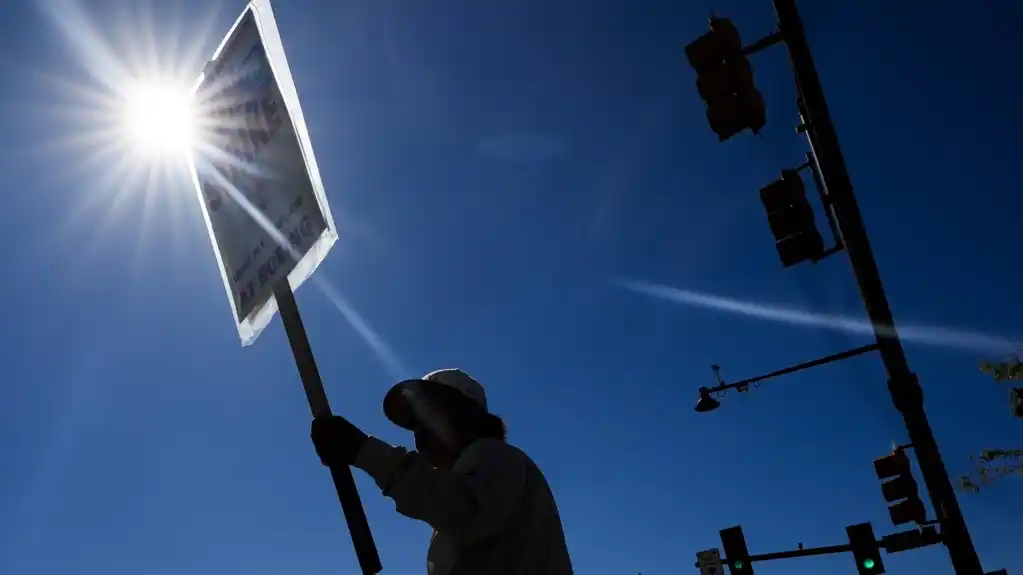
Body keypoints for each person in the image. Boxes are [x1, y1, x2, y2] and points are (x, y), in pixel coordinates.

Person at [311, 368, 574, 575]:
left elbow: (464, 509)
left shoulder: (493, 454)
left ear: (467, 415)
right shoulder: (486, 476)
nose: (420, 434)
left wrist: (362, 450)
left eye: (430, 415)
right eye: (414, 425)